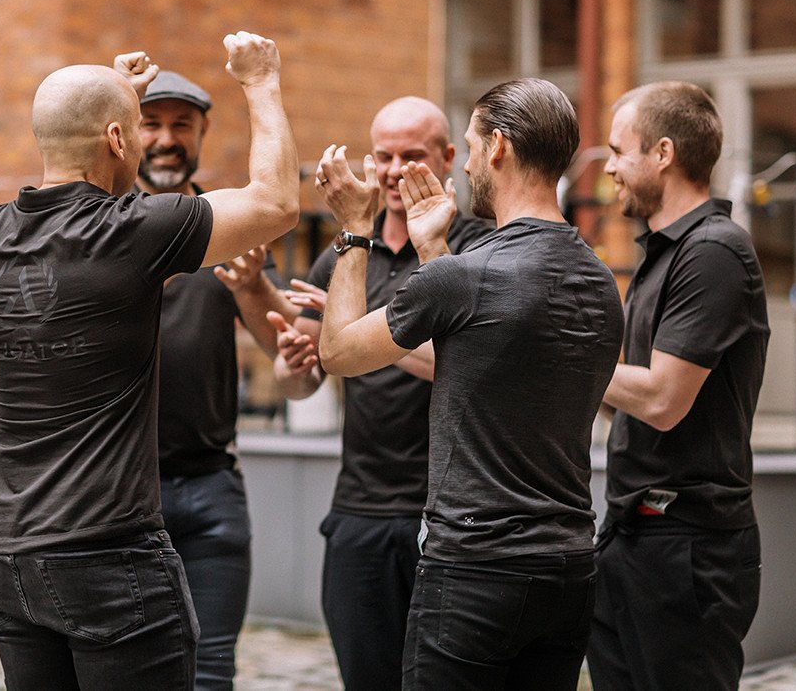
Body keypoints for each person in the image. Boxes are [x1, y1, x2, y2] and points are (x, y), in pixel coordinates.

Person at [0, 33, 298, 689]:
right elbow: (277, 203)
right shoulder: (128, 233)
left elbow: (71, 151)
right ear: (118, 139)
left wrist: (114, 100)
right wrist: (261, 81)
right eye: (136, 133)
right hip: (108, 560)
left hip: (11, 562)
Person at [313, 78, 623, 690]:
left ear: (499, 146)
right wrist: (433, 247)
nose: (469, 165)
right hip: (567, 567)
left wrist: (353, 229)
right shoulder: (598, 278)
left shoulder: (470, 274)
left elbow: (338, 351)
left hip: (475, 568)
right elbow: (478, 348)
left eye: (473, 148)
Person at [269, 96, 491, 691]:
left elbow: (470, 366)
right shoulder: (345, 253)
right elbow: (301, 382)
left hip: (449, 515)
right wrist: (293, 362)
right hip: (360, 511)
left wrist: (360, 325)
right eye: (383, 156)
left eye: (410, 156)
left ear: (448, 156)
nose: (394, 171)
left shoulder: (477, 248)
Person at [587, 82, 769, 691]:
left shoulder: (713, 252)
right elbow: (632, 401)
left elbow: (662, 401)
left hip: (686, 549)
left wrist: (562, 359)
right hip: (631, 532)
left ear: (663, 153)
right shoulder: (664, 253)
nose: (608, 167)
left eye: (619, 150)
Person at [136, 70, 295, 690]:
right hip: (123, 490)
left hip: (211, 487)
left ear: (202, 132)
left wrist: (252, 285)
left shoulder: (225, 222)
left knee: (210, 674)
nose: (166, 139)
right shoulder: (100, 226)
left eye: (182, 125)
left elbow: (285, 346)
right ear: (123, 134)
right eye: (151, 124)